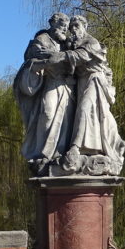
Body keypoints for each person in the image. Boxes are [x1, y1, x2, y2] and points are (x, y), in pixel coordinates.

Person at [60, 15, 125, 175]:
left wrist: (60, 55)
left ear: (85, 26)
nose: (73, 30)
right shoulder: (74, 44)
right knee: (84, 114)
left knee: (85, 109)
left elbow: (80, 56)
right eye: (71, 27)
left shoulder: (91, 42)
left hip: (94, 80)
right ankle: (91, 147)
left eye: (76, 26)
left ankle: (76, 147)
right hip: (81, 82)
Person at [15, 13, 77, 173]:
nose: (64, 29)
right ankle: (42, 153)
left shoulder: (66, 43)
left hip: (67, 85)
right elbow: (30, 61)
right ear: (52, 23)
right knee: (48, 114)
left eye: (66, 27)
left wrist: (64, 55)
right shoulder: (42, 39)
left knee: (66, 120)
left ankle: (60, 153)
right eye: (62, 25)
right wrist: (48, 61)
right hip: (50, 82)